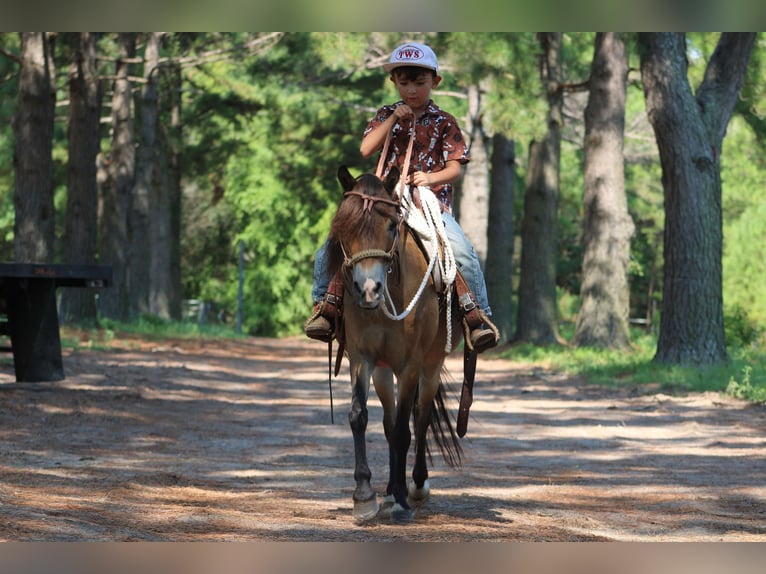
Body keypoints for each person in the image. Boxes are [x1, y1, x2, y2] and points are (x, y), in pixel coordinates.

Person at [305, 42, 498, 353]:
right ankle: (324, 307)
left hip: (429, 202)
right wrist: (393, 119)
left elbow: (455, 169)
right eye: (404, 82)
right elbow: (366, 150)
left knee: (461, 249)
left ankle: (477, 316)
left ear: (434, 82)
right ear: (394, 81)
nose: (411, 90)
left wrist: (430, 178)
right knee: (334, 243)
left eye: (419, 83)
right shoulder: (385, 114)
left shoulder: (445, 121)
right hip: (383, 202)